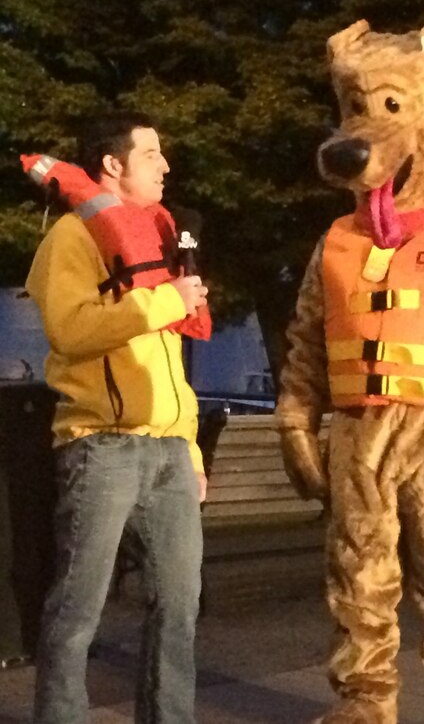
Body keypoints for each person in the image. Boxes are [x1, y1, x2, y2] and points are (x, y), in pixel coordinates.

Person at [25, 112, 209, 723]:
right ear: (113, 163)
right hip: (99, 446)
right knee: (78, 608)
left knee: (179, 607)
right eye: (152, 153)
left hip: (168, 453)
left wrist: (189, 445)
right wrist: (163, 301)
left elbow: (168, 362)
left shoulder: (154, 239)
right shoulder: (73, 238)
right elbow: (70, 331)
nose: (166, 164)